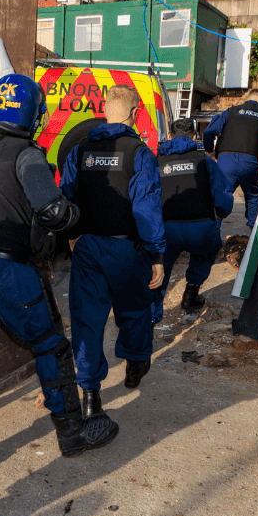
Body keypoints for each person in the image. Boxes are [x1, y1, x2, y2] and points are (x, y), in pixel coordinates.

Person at [0, 74, 119, 460]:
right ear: (32, 112)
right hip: (9, 271)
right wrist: (78, 216)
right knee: (52, 347)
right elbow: (53, 211)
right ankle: (72, 435)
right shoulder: (26, 154)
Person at [60, 83, 165, 420]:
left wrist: (74, 237)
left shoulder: (80, 150)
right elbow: (146, 210)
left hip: (89, 246)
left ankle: (90, 395)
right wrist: (157, 256)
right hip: (127, 248)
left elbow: (66, 197)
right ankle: (134, 366)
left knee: (87, 320)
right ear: (134, 112)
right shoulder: (139, 153)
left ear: (105, 109)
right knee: (134, 312)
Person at [151, 118, 234, 322]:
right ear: (195, 137)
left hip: (166, 230)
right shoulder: (206, 162)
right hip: (201, 228)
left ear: (169, 136)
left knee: (158, 270)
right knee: (207, 251)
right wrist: (219, 215)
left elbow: (146, 198)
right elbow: (223, 199)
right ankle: (190, 296)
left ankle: (151, 318)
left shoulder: (155, 162)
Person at [202, 88, 258, 229]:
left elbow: (209, 132)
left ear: (246, 99)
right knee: (252, 196)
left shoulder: (230, 111)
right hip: (249, 162)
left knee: (221, 194)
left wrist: (209, 150)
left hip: (225, 161)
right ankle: (255, 235)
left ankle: (212, 233)